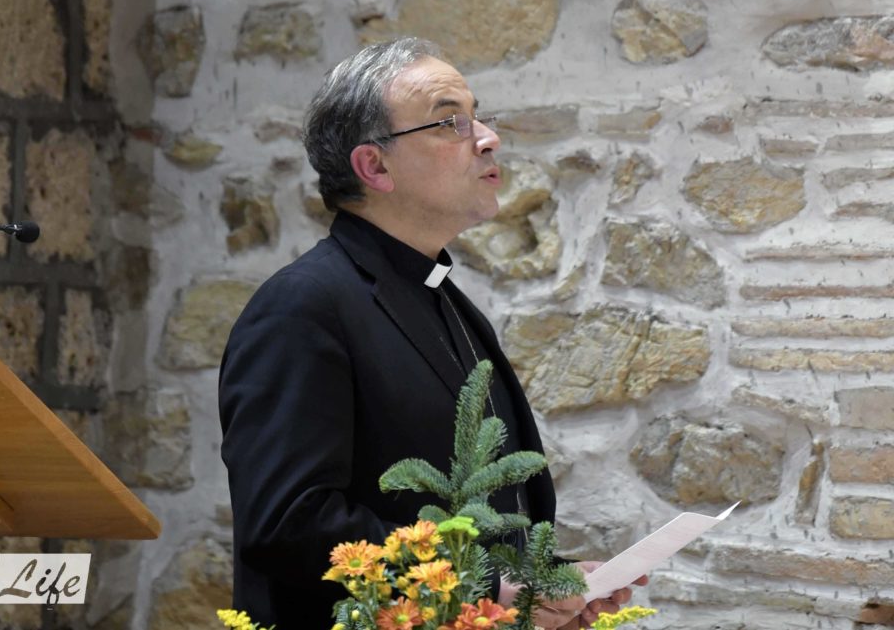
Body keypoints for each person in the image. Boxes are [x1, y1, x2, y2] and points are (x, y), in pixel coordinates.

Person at [218, 37, 643, 629]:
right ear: (375, 166)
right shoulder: (302, 306)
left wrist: (545, 590)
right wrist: (487, 589)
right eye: (449, 122)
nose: (488, 138)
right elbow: (287, 523)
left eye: (478, 117)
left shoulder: (449, 302)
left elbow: (479, 511)